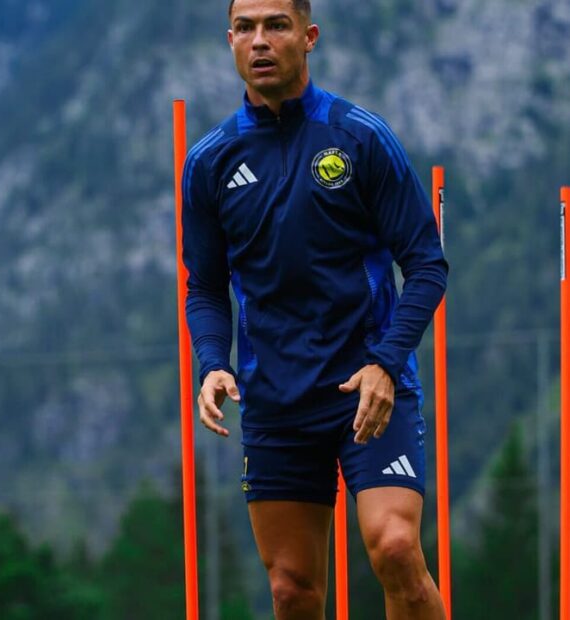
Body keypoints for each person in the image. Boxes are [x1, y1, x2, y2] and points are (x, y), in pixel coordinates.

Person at [182, 0, 449, 618]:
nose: (260, 41)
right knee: (292, 589)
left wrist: (386, 362)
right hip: (275, 402)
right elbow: (205, 286)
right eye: (245, 28)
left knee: (396, 547)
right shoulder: (209, 161)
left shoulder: (359, 136)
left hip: (368, 391)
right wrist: (210, 362)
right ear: (229, 41)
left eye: (276, 25)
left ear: (309, 35)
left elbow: (427, 263)